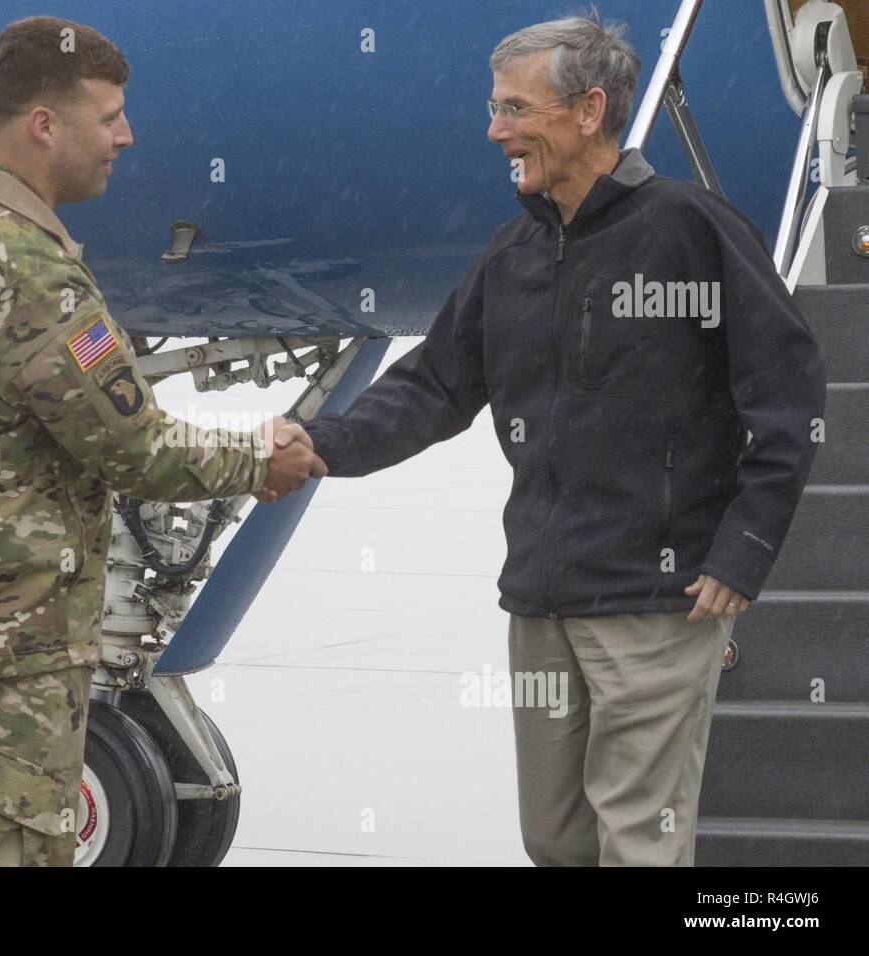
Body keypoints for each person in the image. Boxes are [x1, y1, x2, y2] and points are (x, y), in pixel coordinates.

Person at [304, 12, 826, 866]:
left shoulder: (691, 228)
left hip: (656, 606)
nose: (494, 129)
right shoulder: (512, 254)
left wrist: (745, 548)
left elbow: (791, 393)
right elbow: (433, 386)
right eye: (494, 107)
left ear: (588, 111)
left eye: (514, 108)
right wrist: (320, 445)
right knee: (554, 840)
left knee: (637, 836)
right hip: (541, 604)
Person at [0, 16, 324, 866]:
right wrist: (261, 456)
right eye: (109, 118)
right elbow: (134, 447)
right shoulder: (23, 266)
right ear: (44, 125)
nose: (125, 137)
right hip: (0, 659)